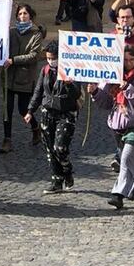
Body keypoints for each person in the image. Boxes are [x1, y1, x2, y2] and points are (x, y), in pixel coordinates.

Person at [88, 44, 134, 209]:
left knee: (125, 158)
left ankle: (117, 194)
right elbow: (105, 103)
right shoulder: (112, 78)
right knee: (130, 161)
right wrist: (95, 92)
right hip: (117, 126)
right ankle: (133, 184)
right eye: (125, 60)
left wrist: (128, 88)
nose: (129, 63)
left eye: (132, 59)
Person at [24, 40, 81, 193]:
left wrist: (69, 84)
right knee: (49, 149)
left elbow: (77, 94)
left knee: (60, 147)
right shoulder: (45, 70)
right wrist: (30, 111)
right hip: (47, 112)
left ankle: (67, 171)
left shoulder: (71, 69)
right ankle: (57, 180)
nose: (51, 61)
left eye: (53, 58)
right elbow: (38, 91)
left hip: (66, 113)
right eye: (48, 58)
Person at [1, 3, 44, 153]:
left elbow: (34, 56)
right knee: (7, 109)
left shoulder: (36, 34)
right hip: (9, 76)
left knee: (23, 109)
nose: (22, 16)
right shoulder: (11, 32)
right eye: (20, 14)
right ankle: (7, 140)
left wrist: (14, 60)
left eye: (25, 13)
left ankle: (35, 128)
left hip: (25, 77)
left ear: (30, 15)